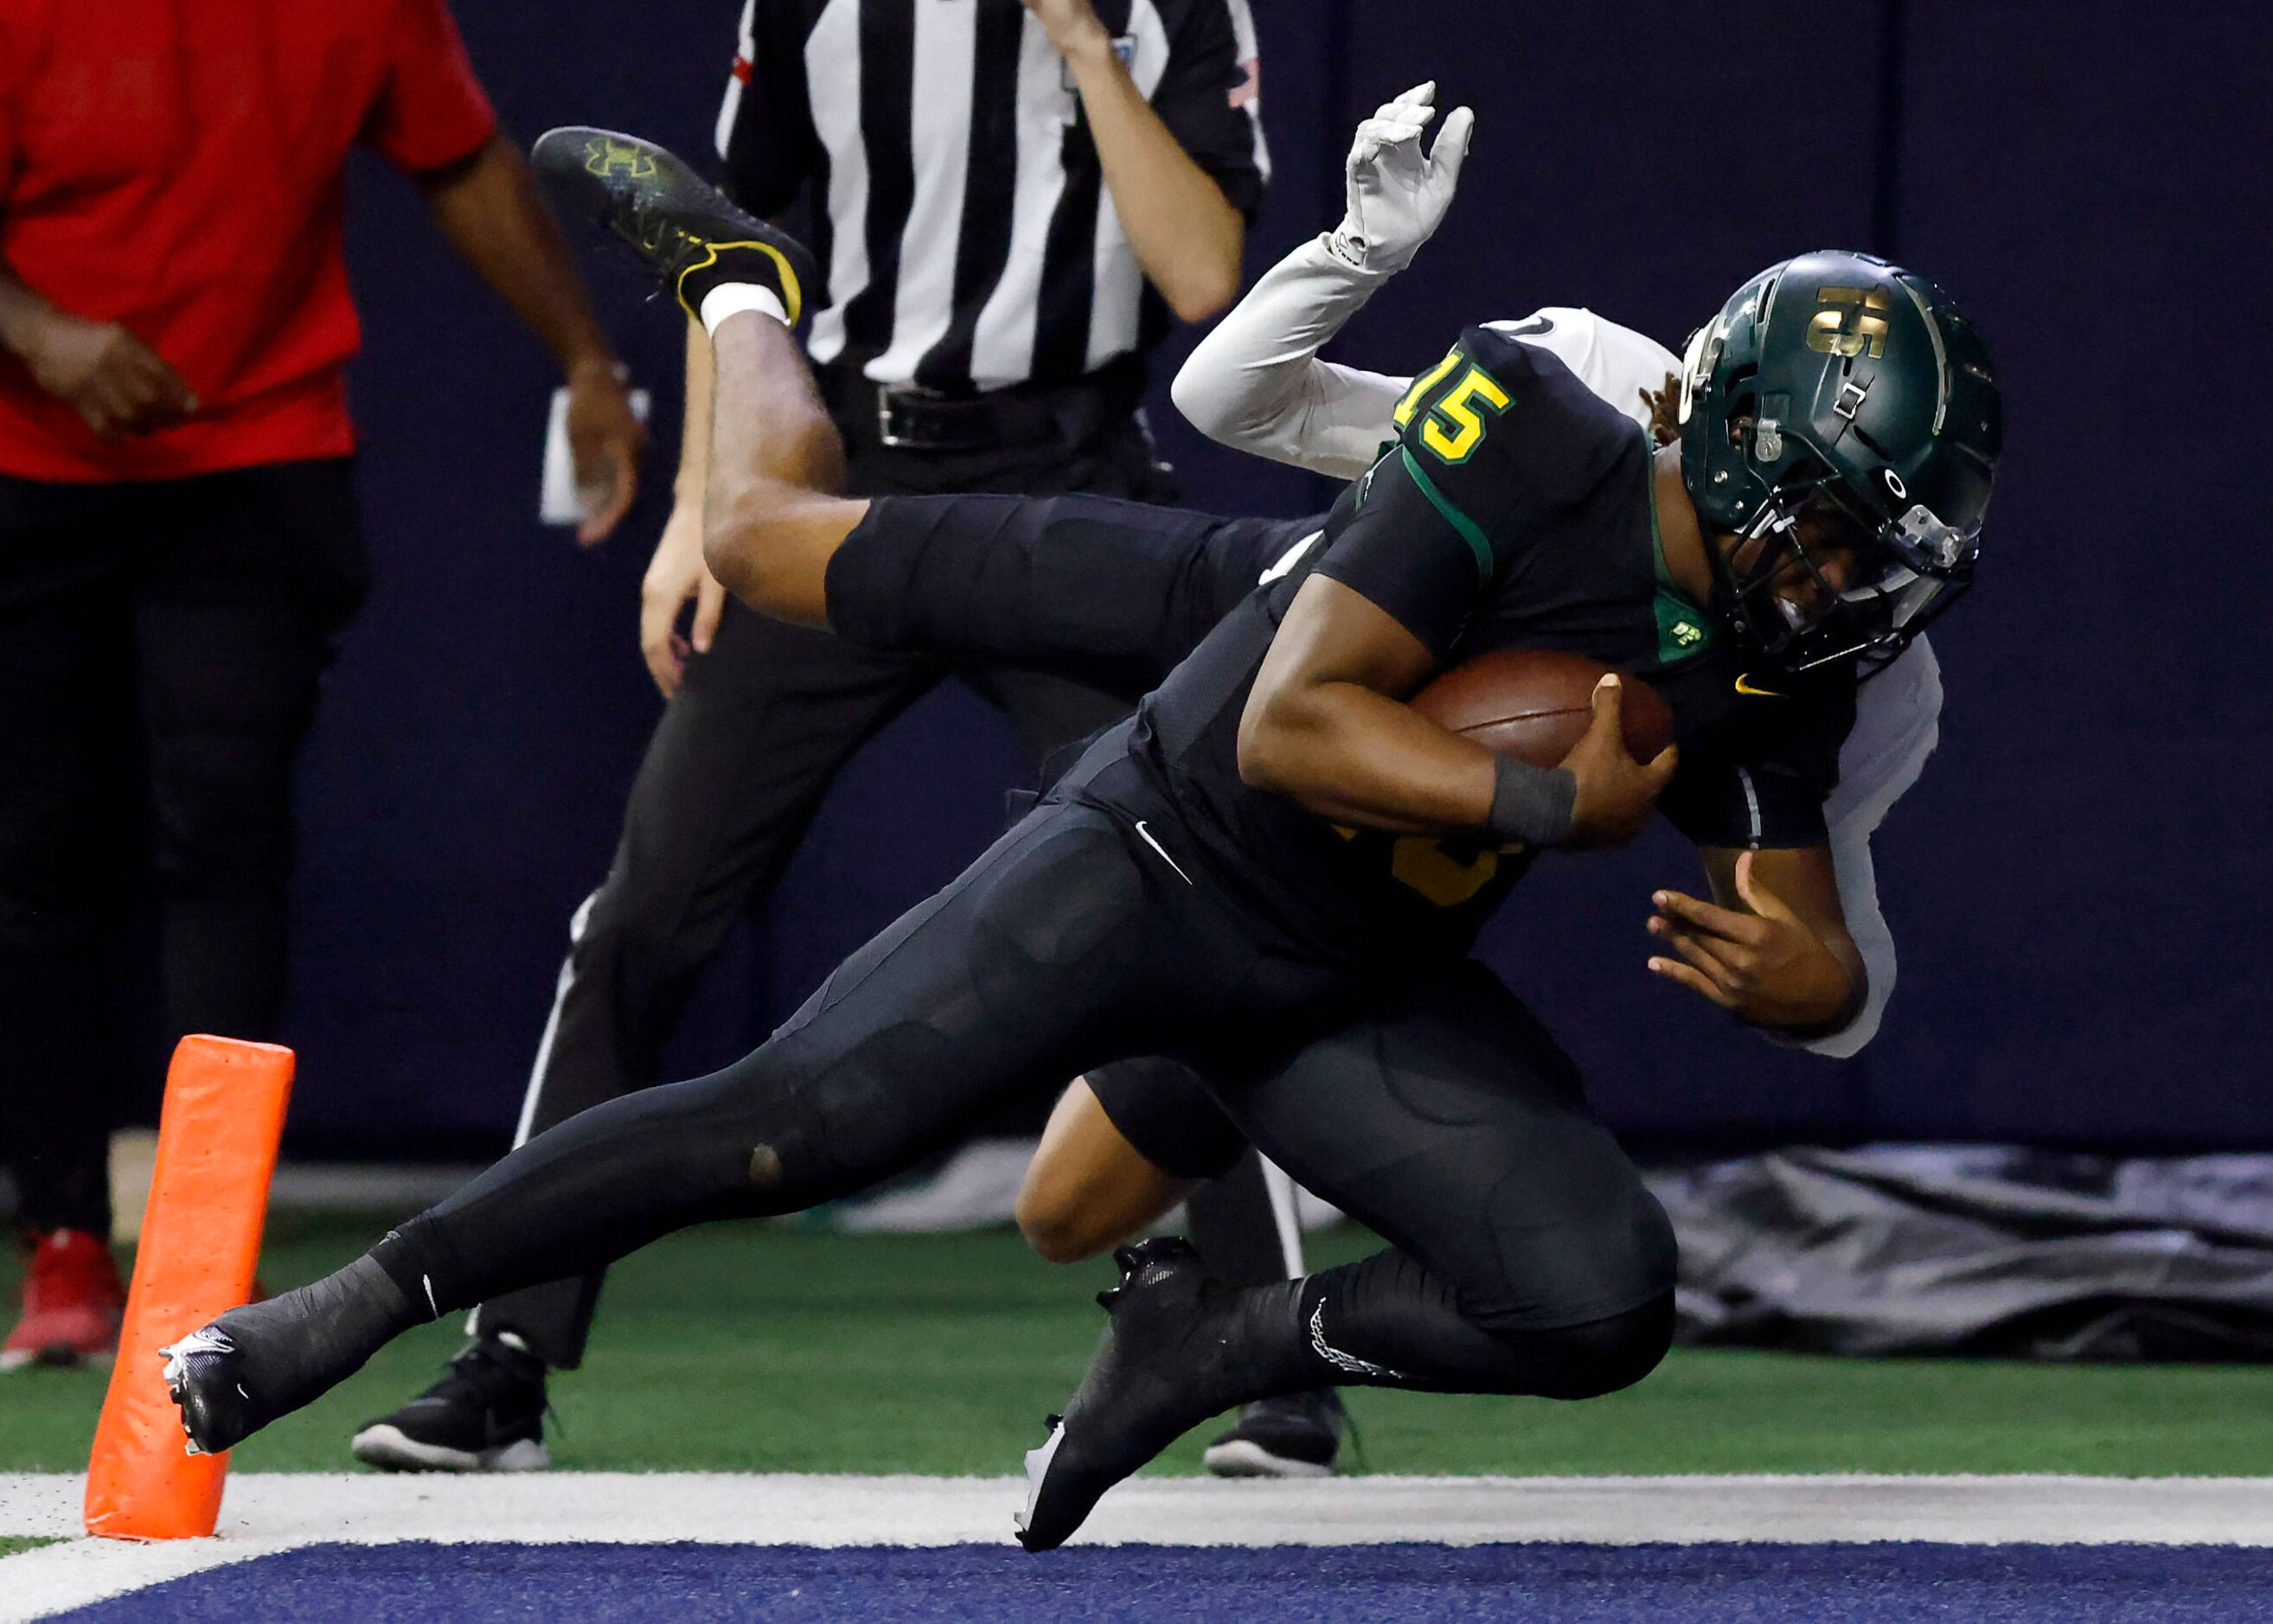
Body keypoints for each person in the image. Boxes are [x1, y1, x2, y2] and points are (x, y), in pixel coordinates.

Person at [160, 117, 2000, 1555]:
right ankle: (742, 288)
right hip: (1197, 782)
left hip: (1343, 956)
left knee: (1594, 1296)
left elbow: (1814, 929)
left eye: (1884, 558)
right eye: (1836, 532)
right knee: (801, 1039)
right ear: (1733, 430)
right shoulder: (1536, 406)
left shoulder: (1802, 662)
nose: (1850, 586)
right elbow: (1290, 716)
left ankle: (1216, 1347)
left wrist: (1796, 972)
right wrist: (1547, 803)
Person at [349, 0, 1326, 1480]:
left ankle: (1275, 1364)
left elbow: (1201, 275)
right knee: (642, 918)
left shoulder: (1167, 7)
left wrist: (1081, 47)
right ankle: (501, 1356)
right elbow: (720, 251)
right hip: (847, 483)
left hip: (1069, 480)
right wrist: (700, 504)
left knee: (1193, 891)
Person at [1013, 85, 1946, 1273]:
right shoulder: (1578, 400)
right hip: (1269, 638)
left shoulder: (1829, 665)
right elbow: (1230, 401)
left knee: (1071, 1204)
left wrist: (1809, 983)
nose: (1827, 578)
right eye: (1816, 521)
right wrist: (1358, 256)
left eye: (1861, 548)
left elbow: (1823, 952)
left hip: (1395, 855)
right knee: (916, 575)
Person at [0, 0, 645, 1371]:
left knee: (225, 837)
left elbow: (462, 158)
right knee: (35, 851)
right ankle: (59, 1234)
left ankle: (196, 1253)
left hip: (259, 453)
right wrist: (41, 331)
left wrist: (584, 360)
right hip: (26, 464)